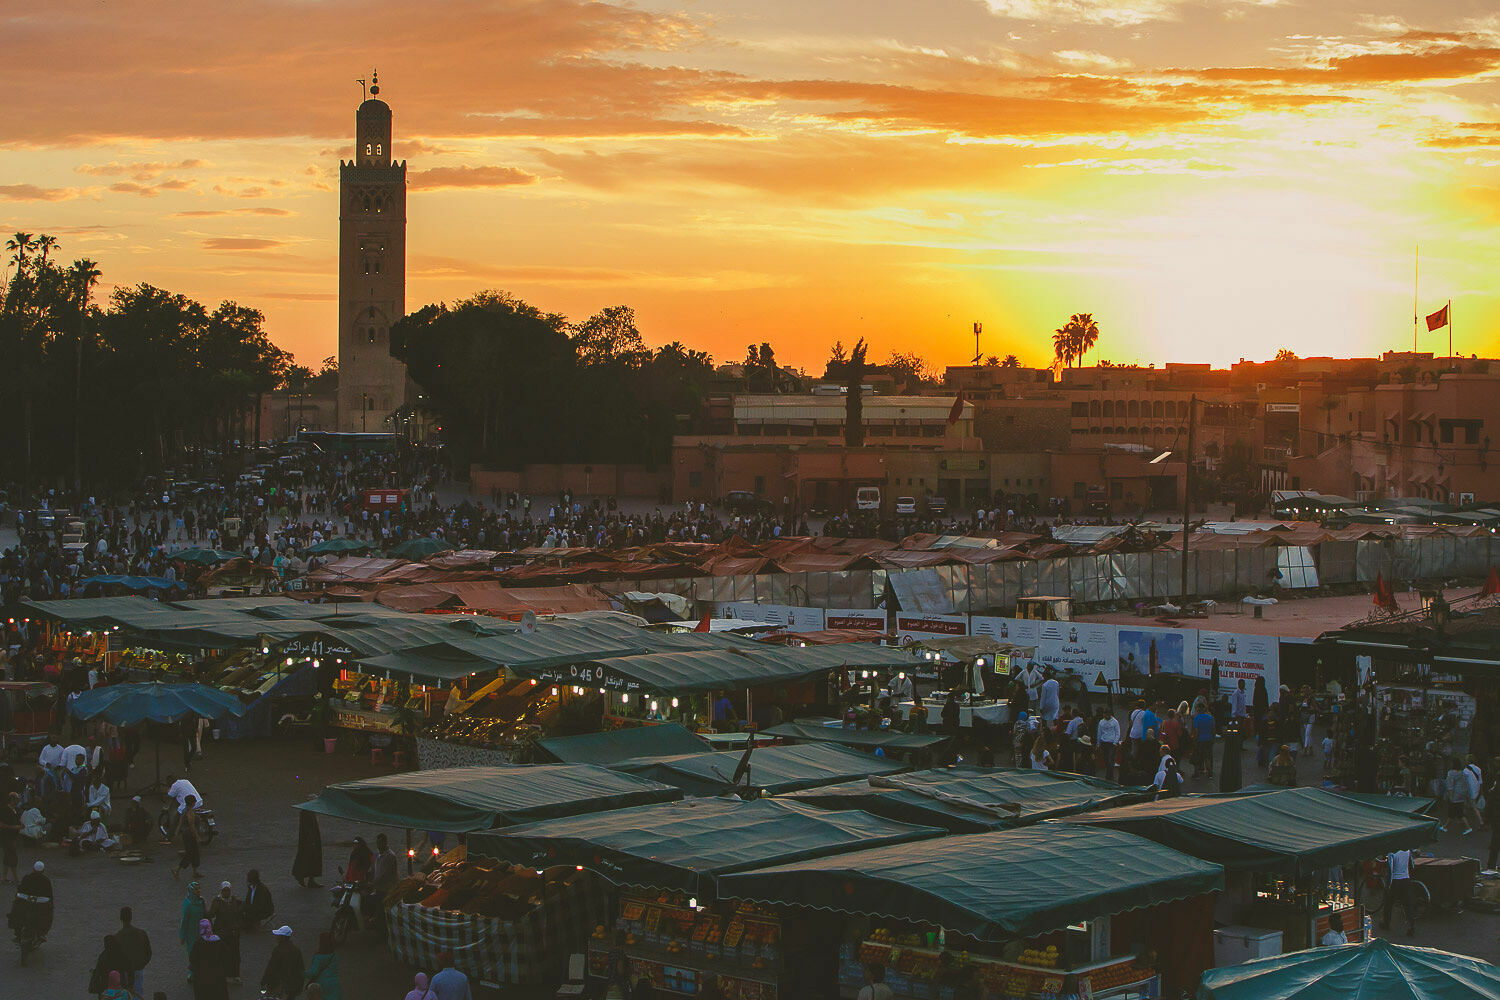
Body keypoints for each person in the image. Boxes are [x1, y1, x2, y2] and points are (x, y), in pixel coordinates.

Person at [207, 880, 245, 982]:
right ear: (221, 891)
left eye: (228, 890)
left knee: (235, 955)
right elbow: (211, 914)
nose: (226, 892)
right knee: (223, 954)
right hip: (222, 933)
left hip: (233, 933)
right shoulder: (217, 901)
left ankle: (235, 975)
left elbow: (241, 907)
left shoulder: (233, 900)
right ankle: (224, 974)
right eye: (224, 890)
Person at [1379, 847, 1419, 937]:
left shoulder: (1392, 853)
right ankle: (1411, 927)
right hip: (1406, 880)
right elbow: (1411, 865)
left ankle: (1386, 923)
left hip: (1395, 881)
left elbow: (1391, 869)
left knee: (1389, 903)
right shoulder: (1407, 851)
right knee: (1408, 905)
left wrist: (1388, 885)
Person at [116, 905, 152, 999]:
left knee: (125, 994)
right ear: (131, 917)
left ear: (121, 918)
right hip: (138, 968)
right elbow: (148, 953)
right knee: (138, 992)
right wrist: (142, 964)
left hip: (125, 971)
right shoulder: (141, 933)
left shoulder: (118, 937)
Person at [190, 916, 231, 1000]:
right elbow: (227, 955)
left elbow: (192, 958)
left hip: (202, 976)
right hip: (217, 974)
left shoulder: (199, 943)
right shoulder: (218, 941)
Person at [260, 924, 305, 999]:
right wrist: (300, 985)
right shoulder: (296, 950)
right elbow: (300, 968)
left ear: (283, 937)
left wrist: (264, 981)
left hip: (279, 984)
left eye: (278, 936)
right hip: (292, 985)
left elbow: (271, 967)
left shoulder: (278, 950)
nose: (276, 937)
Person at [293, 798, 323, 888]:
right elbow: (307, 828)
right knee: (306, 858)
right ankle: (300, 876)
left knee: (313, 859)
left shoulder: (310, 811)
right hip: (308, 840)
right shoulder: (306, 812)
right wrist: (311, 840)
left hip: (311, 839)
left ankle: (310, 879)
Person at [306, 932, 343, 1000]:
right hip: (334, 984)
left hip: (321, 984)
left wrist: (302, 973)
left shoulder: (318, 956)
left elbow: (313, 972)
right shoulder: (334, 956)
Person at [175, 793, 203, 877]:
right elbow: (192, 826)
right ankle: (177, 869)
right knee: (190, 853)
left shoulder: (184, 810)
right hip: (190, 836)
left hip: (185, 834)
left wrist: (177, 831)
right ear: (192, 802)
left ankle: (195, 872)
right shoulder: (190, 812)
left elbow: (180, 822)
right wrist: (197, 836)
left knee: (194, 853)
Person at [1443, 757, 1474, 835]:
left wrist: (1450, 796)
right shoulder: (1462, 773)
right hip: (1461, 794)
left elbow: (1450, 786)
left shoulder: (1451, 773)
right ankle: (1445, 826)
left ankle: (1468, 827)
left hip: (1455, 795)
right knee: (1456, 811)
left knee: (1457, 812)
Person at [179, 881, 207, 961]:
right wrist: (182, 936)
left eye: (199, 889)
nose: (198, 891)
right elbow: (184, 920)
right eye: (196, 889)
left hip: (201, 930)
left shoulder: (201, 901)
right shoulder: (188, 904)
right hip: (191, 933)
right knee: (192, 951)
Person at [0, 789, 20, 883]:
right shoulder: (5, 810)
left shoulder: (14, 810)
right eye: (16, 799)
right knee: (12, 857)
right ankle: (16, 878)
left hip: (11, 837)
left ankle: (4, 878)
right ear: (12, 799)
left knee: (8, 857)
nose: (18, 801)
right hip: (6, 837)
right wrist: (13, 827)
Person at [1192, 702, 1215, 779]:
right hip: (1209, 738)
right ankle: (1210, 773)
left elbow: (1196, 730)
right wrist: (1212, 738)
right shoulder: (1210, 717)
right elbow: (1213, 729)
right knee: (1207, 757)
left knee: (1198, 757)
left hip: (1200, 739)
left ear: (1198, 709)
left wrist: (1195, 740)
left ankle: (1196, 774)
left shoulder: (1197, 718)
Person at [1096, 709, 1121, 783]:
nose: (1105, 716)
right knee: (1106, 760)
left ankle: (1108, 777)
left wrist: (1115, 742)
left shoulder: (1115, 722)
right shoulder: (1101, 722)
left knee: (1110, 759)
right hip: (1104, 742)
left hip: (1111, 743)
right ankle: (1110, 774)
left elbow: (1118, 732)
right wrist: (1098, 743)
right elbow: (1099, 732)